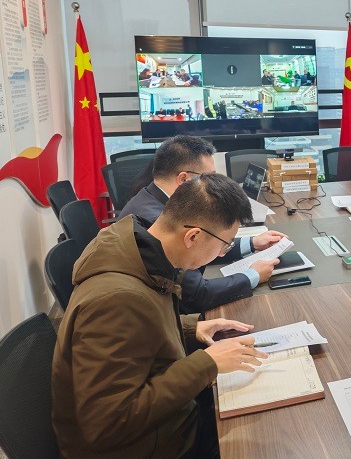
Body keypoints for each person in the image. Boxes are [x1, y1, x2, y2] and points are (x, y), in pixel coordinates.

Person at [52, 173, 269, 459]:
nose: (221, 254)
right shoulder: (117, 301)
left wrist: (191, 328)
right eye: (224, 245)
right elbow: (105, 425)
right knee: (265, 438)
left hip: (164, 423)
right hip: (147, 447)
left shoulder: (138, 251)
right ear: (193, 236)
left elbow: (139, 333)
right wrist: (206, 364)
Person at [118, 135, 287, 313]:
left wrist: (251, 243)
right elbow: (196, 294)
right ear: (184, 179)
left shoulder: (151, 197)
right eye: (208, 177)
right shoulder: (157, 223)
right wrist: (252, 276)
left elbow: (204, 244)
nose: (213, 183)